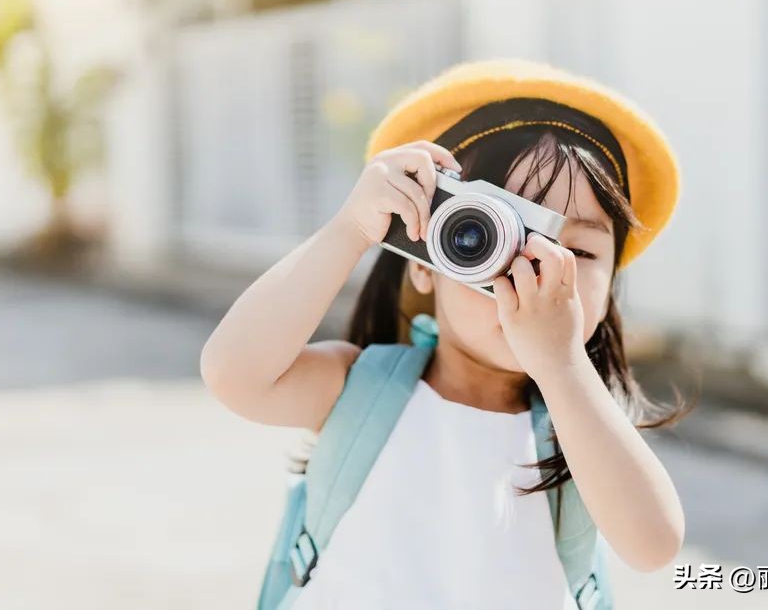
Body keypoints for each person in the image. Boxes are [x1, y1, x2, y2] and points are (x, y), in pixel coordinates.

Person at [200, 58, 696, 609]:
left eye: (578, 251)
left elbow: (653, 546)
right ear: (424, 260)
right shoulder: (362, 390)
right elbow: (232, 374)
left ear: (609, 293)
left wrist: (561, 365)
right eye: (488, 236)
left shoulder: (582, 432)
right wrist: (350, 230)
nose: (534, 269)